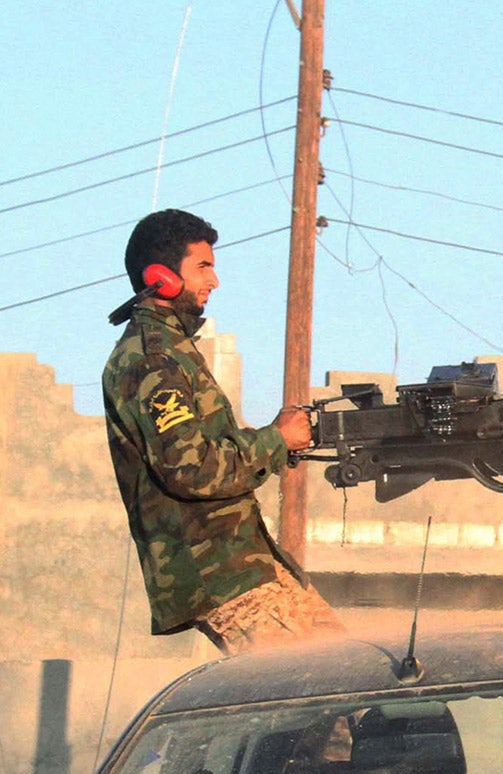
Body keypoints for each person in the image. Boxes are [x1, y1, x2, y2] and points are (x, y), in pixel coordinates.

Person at [101, 208, 341, 653]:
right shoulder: (152, 359)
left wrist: (277, 439)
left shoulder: (174, 351)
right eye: (203, 267)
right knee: (311, 693)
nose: (214, 281)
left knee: (348, 677)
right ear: (162, 276)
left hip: (246, 565)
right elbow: (190, 467)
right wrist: (276, 439)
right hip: (218, 575)